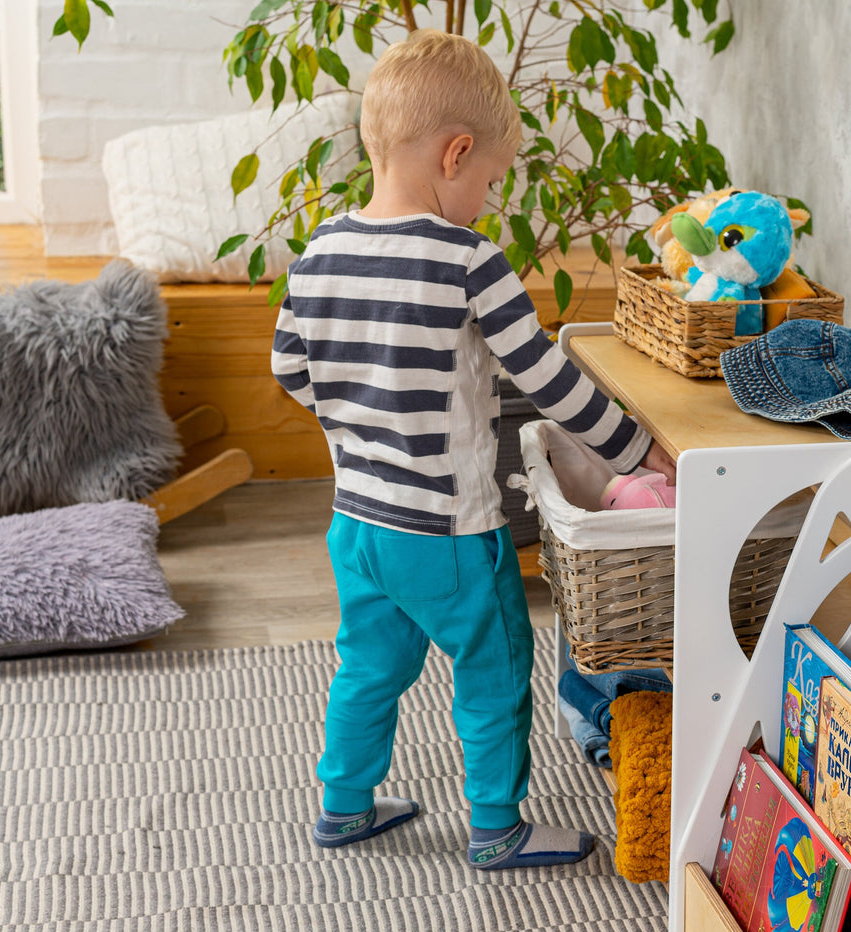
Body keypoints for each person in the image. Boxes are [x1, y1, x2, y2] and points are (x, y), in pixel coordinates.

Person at [270, 29, 675, 868]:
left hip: (357, 525)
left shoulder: (315, 254)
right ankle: (496, 825)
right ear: (455, 154)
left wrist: (358, 420)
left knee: (367, 668)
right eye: (489, 179)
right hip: (451, 533)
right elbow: (551, 384)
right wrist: (636, 454)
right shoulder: (467, 261)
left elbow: (289, 373)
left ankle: (343, 805)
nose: (487, 200)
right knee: (493, 670)